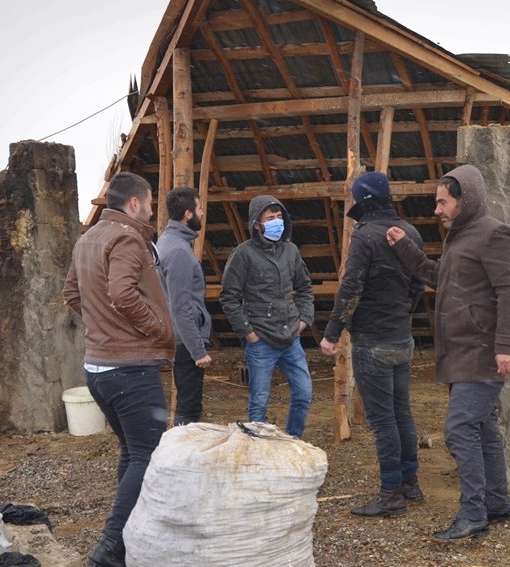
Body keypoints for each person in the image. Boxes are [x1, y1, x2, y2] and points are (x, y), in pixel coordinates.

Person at [385, 165, 510, 541]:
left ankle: (473, 514)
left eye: (442, 202)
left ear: (465, 199)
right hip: (462, 352)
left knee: (460, 430)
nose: (437, 210)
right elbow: (438, 277)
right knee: (483, 429)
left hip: (481, 352)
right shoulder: (460, 238)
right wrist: (406, 250)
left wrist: (507, 346)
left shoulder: (495, 234)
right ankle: (497, 504)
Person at [63, 172, 174, 567]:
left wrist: (104, 329)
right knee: (149, 455)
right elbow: (124, 294)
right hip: (129, 368)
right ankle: (111, 546)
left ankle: (128, 537)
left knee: (132, 453)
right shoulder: (128, 239)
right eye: (148, 202)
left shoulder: (89, 237)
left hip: (99, 367)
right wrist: (158, 330)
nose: (150, 209)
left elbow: (73, 295)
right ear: (134, 203)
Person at [320, 172, 426, 517]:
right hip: (401, 338)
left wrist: (332, 333)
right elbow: (418, 285)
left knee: (383, 422)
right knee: (402, 412)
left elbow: (351, 288)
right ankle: (410, 484)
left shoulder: (364, 237)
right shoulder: (410, 233)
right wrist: (401, 315)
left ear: (362, 200)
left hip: (372, 342)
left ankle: (390, 493)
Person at [219, 195, 314, 437]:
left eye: (279, 217)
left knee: (304, 393)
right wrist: (249, 333)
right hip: (261, 340)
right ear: (257, 224)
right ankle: (257, 451)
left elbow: (304, 288)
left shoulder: (290, 251)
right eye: (270, 218)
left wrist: (303, 321)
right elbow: (229, 297)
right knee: (259, 402)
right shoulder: (243, 254)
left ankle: (293, 440)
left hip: (291, 336)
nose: (277, 222)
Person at [159, 186, 213, 425]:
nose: (203, 213)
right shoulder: (179, 251)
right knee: (188, 410)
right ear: (188, 214)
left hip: (178, 337)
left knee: (187, 403)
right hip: (184, 341)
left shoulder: (167, 241)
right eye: (200, 208)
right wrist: (197, 350)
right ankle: (182, 457)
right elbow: (180, 306)